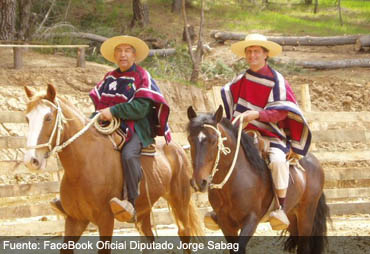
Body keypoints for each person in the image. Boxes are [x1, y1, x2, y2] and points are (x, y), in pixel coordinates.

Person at [51, 35, 171, 223]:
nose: (123, 55)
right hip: (108, 125)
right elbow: (100, 106)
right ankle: (71, 198)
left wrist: (114, 111)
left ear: (134, 55)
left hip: (137, 127)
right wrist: (91, 120)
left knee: (129, 155)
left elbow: (141, 108)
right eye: (119, 51)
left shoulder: (142, 76)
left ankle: (130, 201)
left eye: (127, 51)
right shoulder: (109, 77)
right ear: (115, 55)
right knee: (76, 146)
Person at [219, 34, 311, 230]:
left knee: (277, 161)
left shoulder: (277, 80)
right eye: (249, 52)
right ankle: (219, 207)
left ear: (266, 55)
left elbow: (282, 111)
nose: (252, 55)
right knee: (221, 156)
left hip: (272, 135)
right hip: (242, 135)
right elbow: (229, 107)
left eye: (257, 52)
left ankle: (280, 208)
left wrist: (257, 115)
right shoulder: (238, 81)